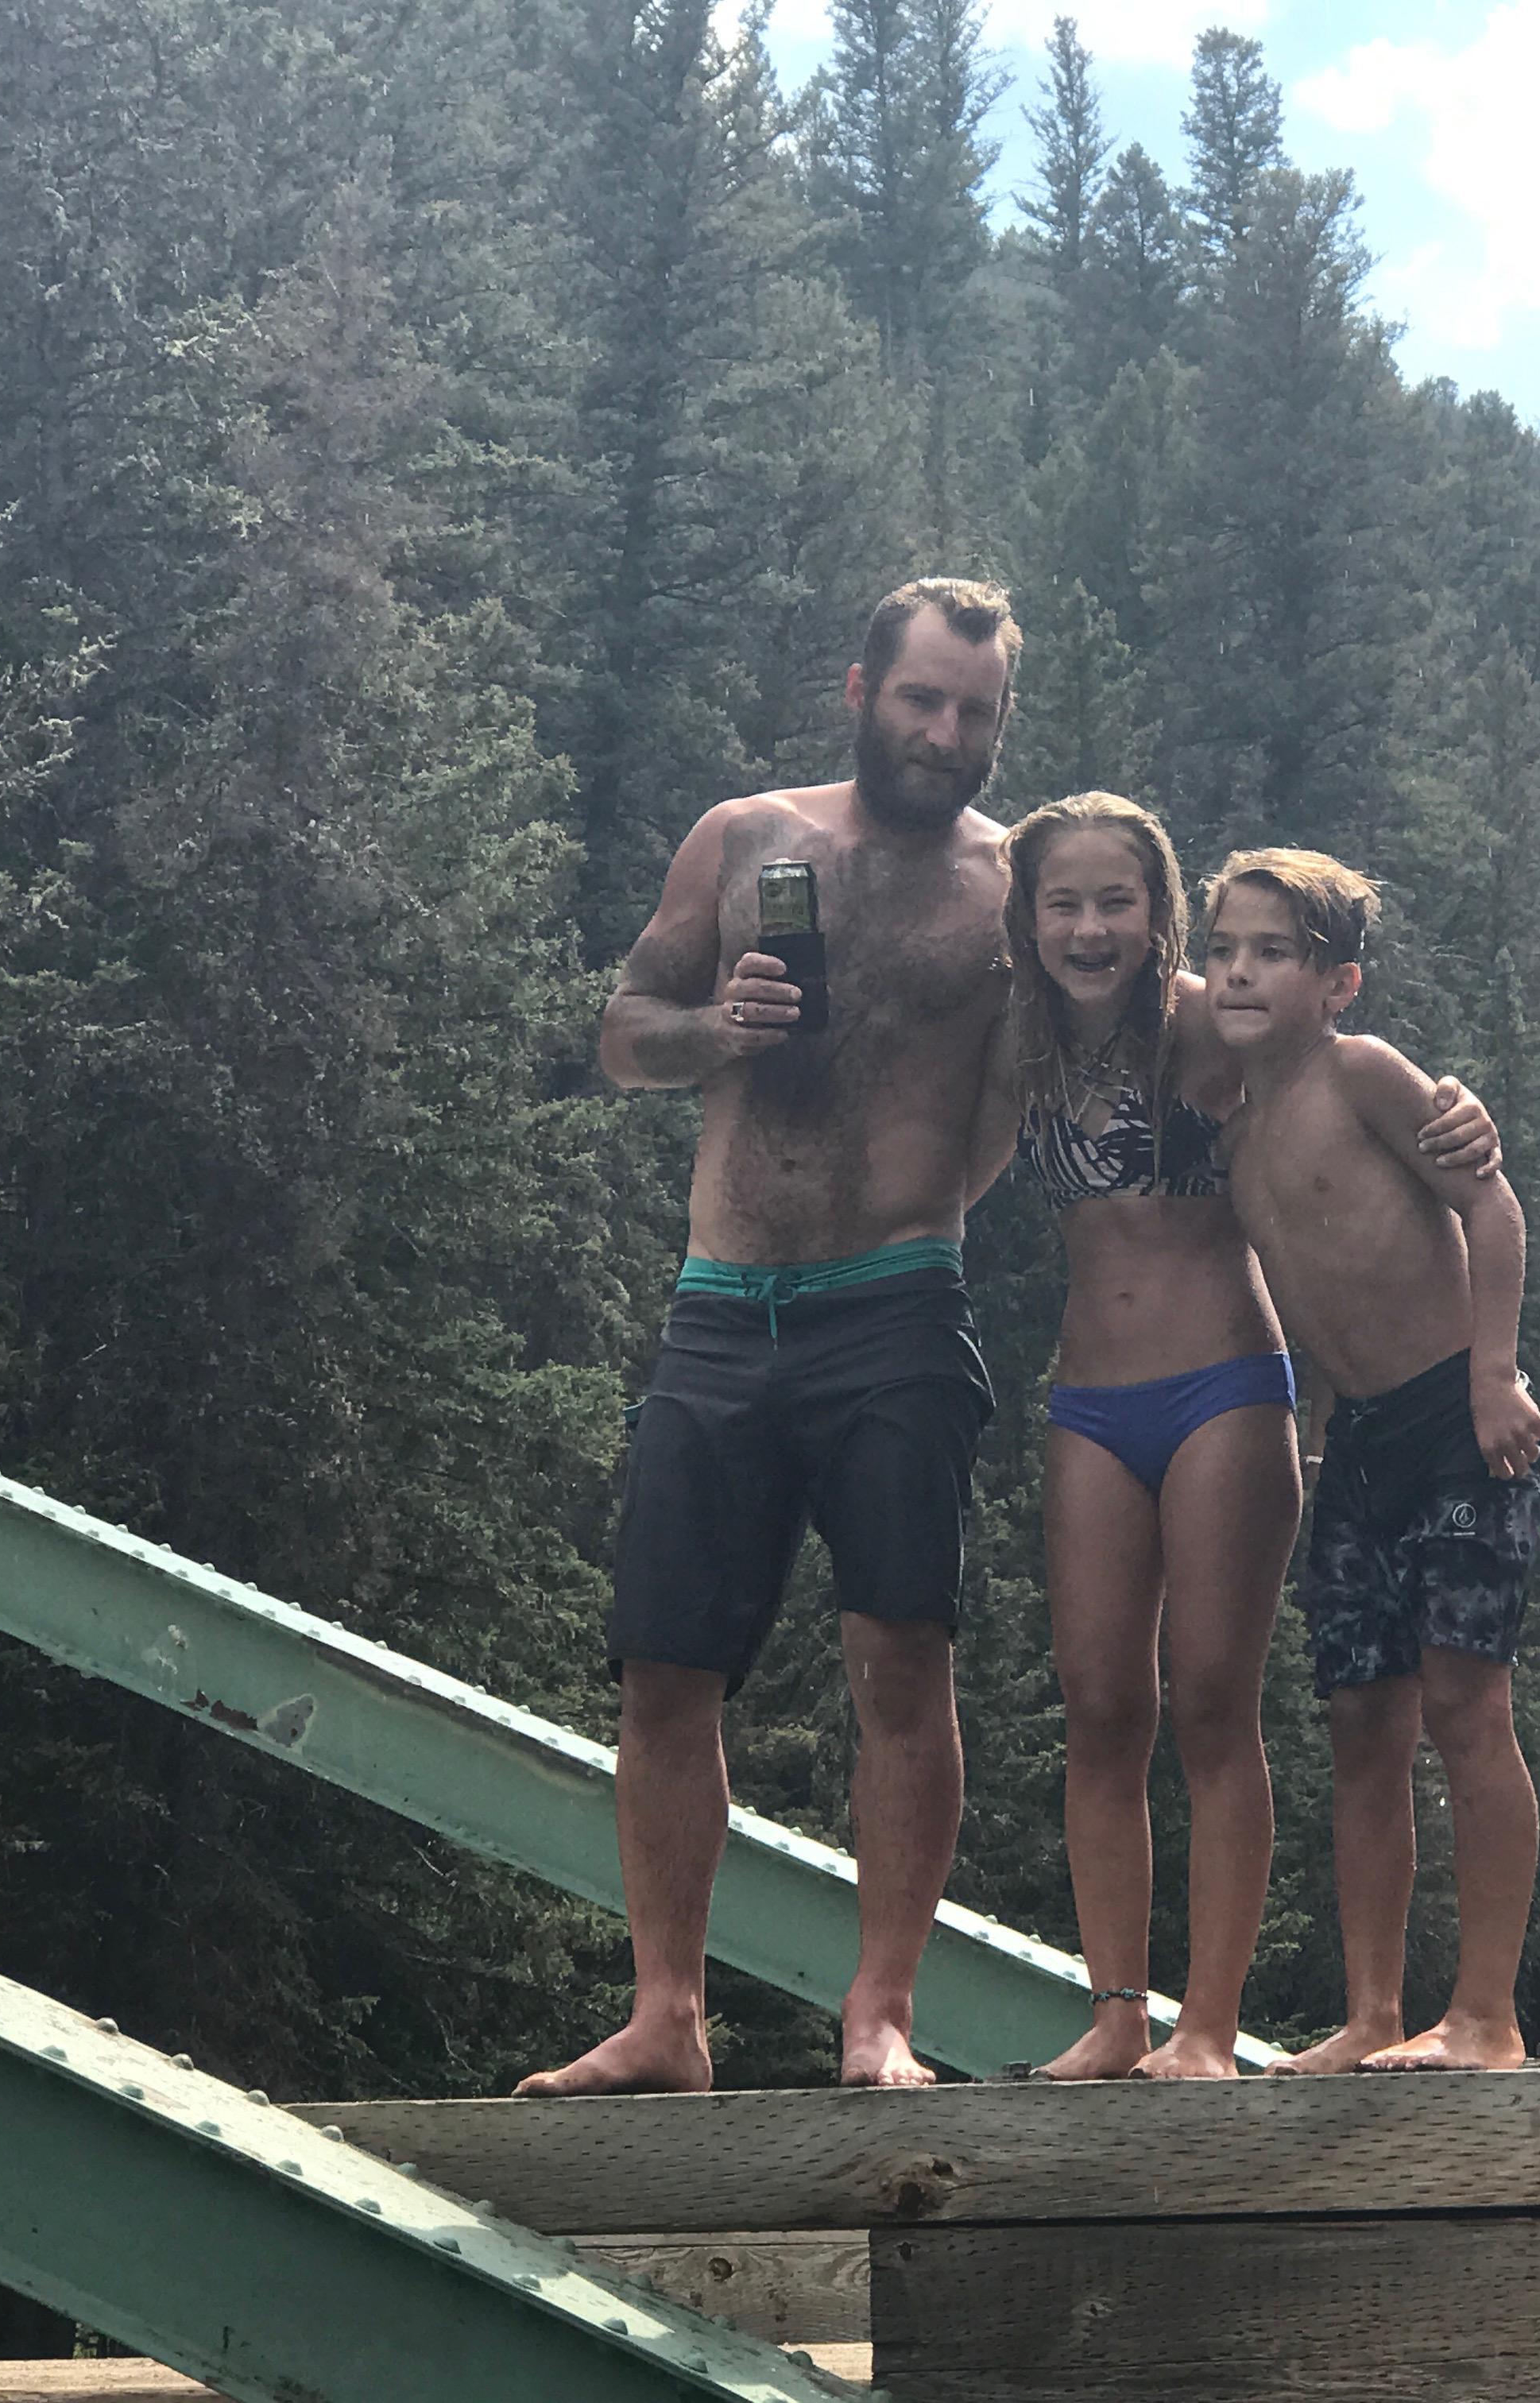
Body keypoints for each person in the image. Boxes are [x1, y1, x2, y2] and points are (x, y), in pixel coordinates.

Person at [517, 576, 1028, 2098]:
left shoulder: (1013, 884)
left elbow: (1110, 1017)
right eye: (925, 697)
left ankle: (879, 2015)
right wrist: (715, 1031)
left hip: (895, 1308)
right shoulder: (746, 839)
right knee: (667, 1669)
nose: (947, 732)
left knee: (900, 1657)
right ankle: (666, 2015)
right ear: (859, 688)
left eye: (978, 712)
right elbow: (624, 1031)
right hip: (723, 1304)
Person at [996, 795, 1499, 2080]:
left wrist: (1464, 1119)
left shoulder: (1211, 1019)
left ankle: (1207, 2029)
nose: (1091, 928)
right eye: (1064, 903)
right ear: (1030, 918)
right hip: (1089, 1397)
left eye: (1119, 903)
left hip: (1229, 1379)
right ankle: (1117, 2015)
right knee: (1104, 1704)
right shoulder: (1016, 1036)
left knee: (1217, 1702)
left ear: (1160, 913)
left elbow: (1335, 1068)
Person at [1201, 846, 1540, 2074]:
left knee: (1466, 1706)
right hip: (1354, 1448)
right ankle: (1371, 2014)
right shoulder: (1235, 1136)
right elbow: (1307, 1294)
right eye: (1225, 950)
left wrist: (1493, 1375)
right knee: (1361, 1726)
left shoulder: (1364, 1074)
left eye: (1273, 953)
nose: (1240, 972)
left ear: (1337, 979)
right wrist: (1303, 1435)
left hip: (1456, 1422)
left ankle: (1488, 2018)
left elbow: (1491, 1207)